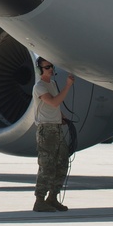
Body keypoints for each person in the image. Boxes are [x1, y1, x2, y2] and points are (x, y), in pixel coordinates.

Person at [31, 57, 74, 212]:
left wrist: (60, 116)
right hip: (46, 130)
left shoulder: (53, 84)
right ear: (40, 70)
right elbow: (54, 102)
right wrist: (68, 87)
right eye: (46, 67)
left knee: (62, 162)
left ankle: (52, 197)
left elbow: (54, 107)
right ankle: (40, 200)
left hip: (56, 127)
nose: (50, 69)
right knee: (47, 165)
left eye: (51, 66)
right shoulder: (40, 86)